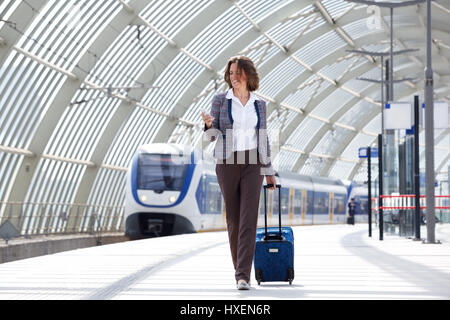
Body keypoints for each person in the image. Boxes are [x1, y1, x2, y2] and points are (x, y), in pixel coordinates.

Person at [201, 56, 276, 290]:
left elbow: (263, 137)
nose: (233, 77)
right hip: (227, 162)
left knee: (248, 219)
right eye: (231, 73)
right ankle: (240, 271)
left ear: (248, 75)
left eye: (238, 73)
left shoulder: (259, 104)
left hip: (253, 163)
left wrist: (269, 171)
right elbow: (212, 137)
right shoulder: (221, 101)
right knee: (234, 219)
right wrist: (207, 126)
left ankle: (243, 275)